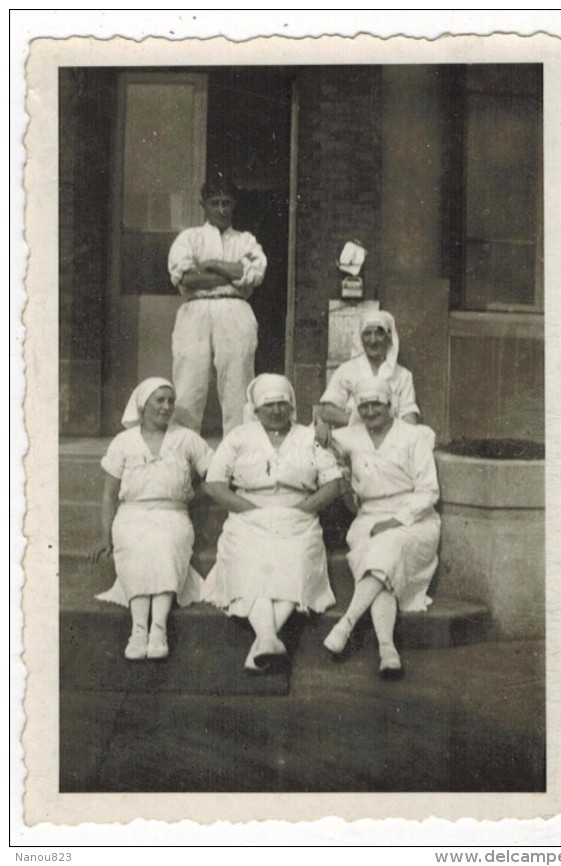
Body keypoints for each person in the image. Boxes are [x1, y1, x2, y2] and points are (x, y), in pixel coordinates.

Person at [202, 374, 343, 672]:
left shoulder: (308, 436)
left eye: (283, 404)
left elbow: (333, 484)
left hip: (298, 516)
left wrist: (303, 508)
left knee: (294, 562)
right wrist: (249, 509)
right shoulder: (239, 438)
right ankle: (268, 638)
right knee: (248, 562)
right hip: (248, 514)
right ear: (256, 409)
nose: (277, 411)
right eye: (269, 405)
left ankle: (264, 641)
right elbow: (214, 484)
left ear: (292, 406)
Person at [89, 378, 214, 661]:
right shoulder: (124, 442)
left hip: (173, 514)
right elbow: (109, 495)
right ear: (143, 405)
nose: (167, 407)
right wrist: (104, 535)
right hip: (131, 515)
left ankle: (157, 630)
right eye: (160, 401)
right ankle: (138, 629)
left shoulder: (187, 438)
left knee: (166, 544)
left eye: (171, 401)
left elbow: (214, 472)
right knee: (135, 546)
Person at [324, 377, 440, 679]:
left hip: (414, 521)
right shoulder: (351, 436)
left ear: (390, 405)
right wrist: (321, 433)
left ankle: (346, 623)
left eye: (376, 403)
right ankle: (388, 649)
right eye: (363, 405)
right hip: (368, 518)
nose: (370, 410)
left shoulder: (413, 437)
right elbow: (319, 439)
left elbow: (429, 491)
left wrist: (395, 521)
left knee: (385, 548)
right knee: (380, 568)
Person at [168, 171, 268, 436]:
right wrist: (233, 273)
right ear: (204, 205)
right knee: (189, 383)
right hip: (195, 311)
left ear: (234, 205)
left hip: (235, 311)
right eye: (215, 203)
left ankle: (238, 456)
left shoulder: (245, 240)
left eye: (226, 202)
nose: (221, 209)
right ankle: (183, 454)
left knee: (237, 383)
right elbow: (185, 278)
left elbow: (255, 274)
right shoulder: (189, 238)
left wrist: (210, 264)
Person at [315, 309, 419, 447]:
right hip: (352, 442)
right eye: (367, 334)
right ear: (360, 338)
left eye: (379, 333)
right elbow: (327, 410)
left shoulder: (403, 376)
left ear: (389, 336)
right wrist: (366, 422)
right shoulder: (347, 370)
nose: (373, 340)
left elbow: (409, 419)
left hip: (389, 444)